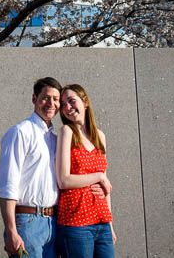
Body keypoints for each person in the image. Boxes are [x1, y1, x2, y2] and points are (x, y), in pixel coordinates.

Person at [0, 77, 62, 257]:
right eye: (46, 97)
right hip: (27, 223)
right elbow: (7, 184)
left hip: (53, 224)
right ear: (34, 99)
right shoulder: (20, 132)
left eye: (56, 99)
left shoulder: (56, 140)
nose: (51, 103)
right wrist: (11, 230)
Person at [55, 84, 115, 258]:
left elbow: (106, 186)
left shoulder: (100, 136)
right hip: (76, 223)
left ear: (85, 101)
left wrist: (109, 223)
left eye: (71, 101)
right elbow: (63, 180)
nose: (67, 108)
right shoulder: (67, 132)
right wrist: (98, 176)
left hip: (102, 222)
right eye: (64, 104)